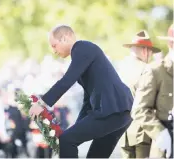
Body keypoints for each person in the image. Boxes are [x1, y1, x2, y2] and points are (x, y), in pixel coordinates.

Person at [28, 25, 133, 158]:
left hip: (112, 111)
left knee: (66, 140)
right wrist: (77, 126)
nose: (53, 51)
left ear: (65, 38)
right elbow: (88, 100)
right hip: (119, 112)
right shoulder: (82, 54)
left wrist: (41, 103)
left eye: (54, 45)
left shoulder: (82, 47)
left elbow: (67, 80)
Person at [131, 24, 173, 158]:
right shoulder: (156, 70)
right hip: (162, 142)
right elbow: (139, 110)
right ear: (171, 44)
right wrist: (160, 133)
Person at [118, 30, 161, 158]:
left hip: (122, 131)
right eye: (151, 52)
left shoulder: (120, 70)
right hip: (142, 132)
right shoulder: (148, 70)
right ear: (145, 50)